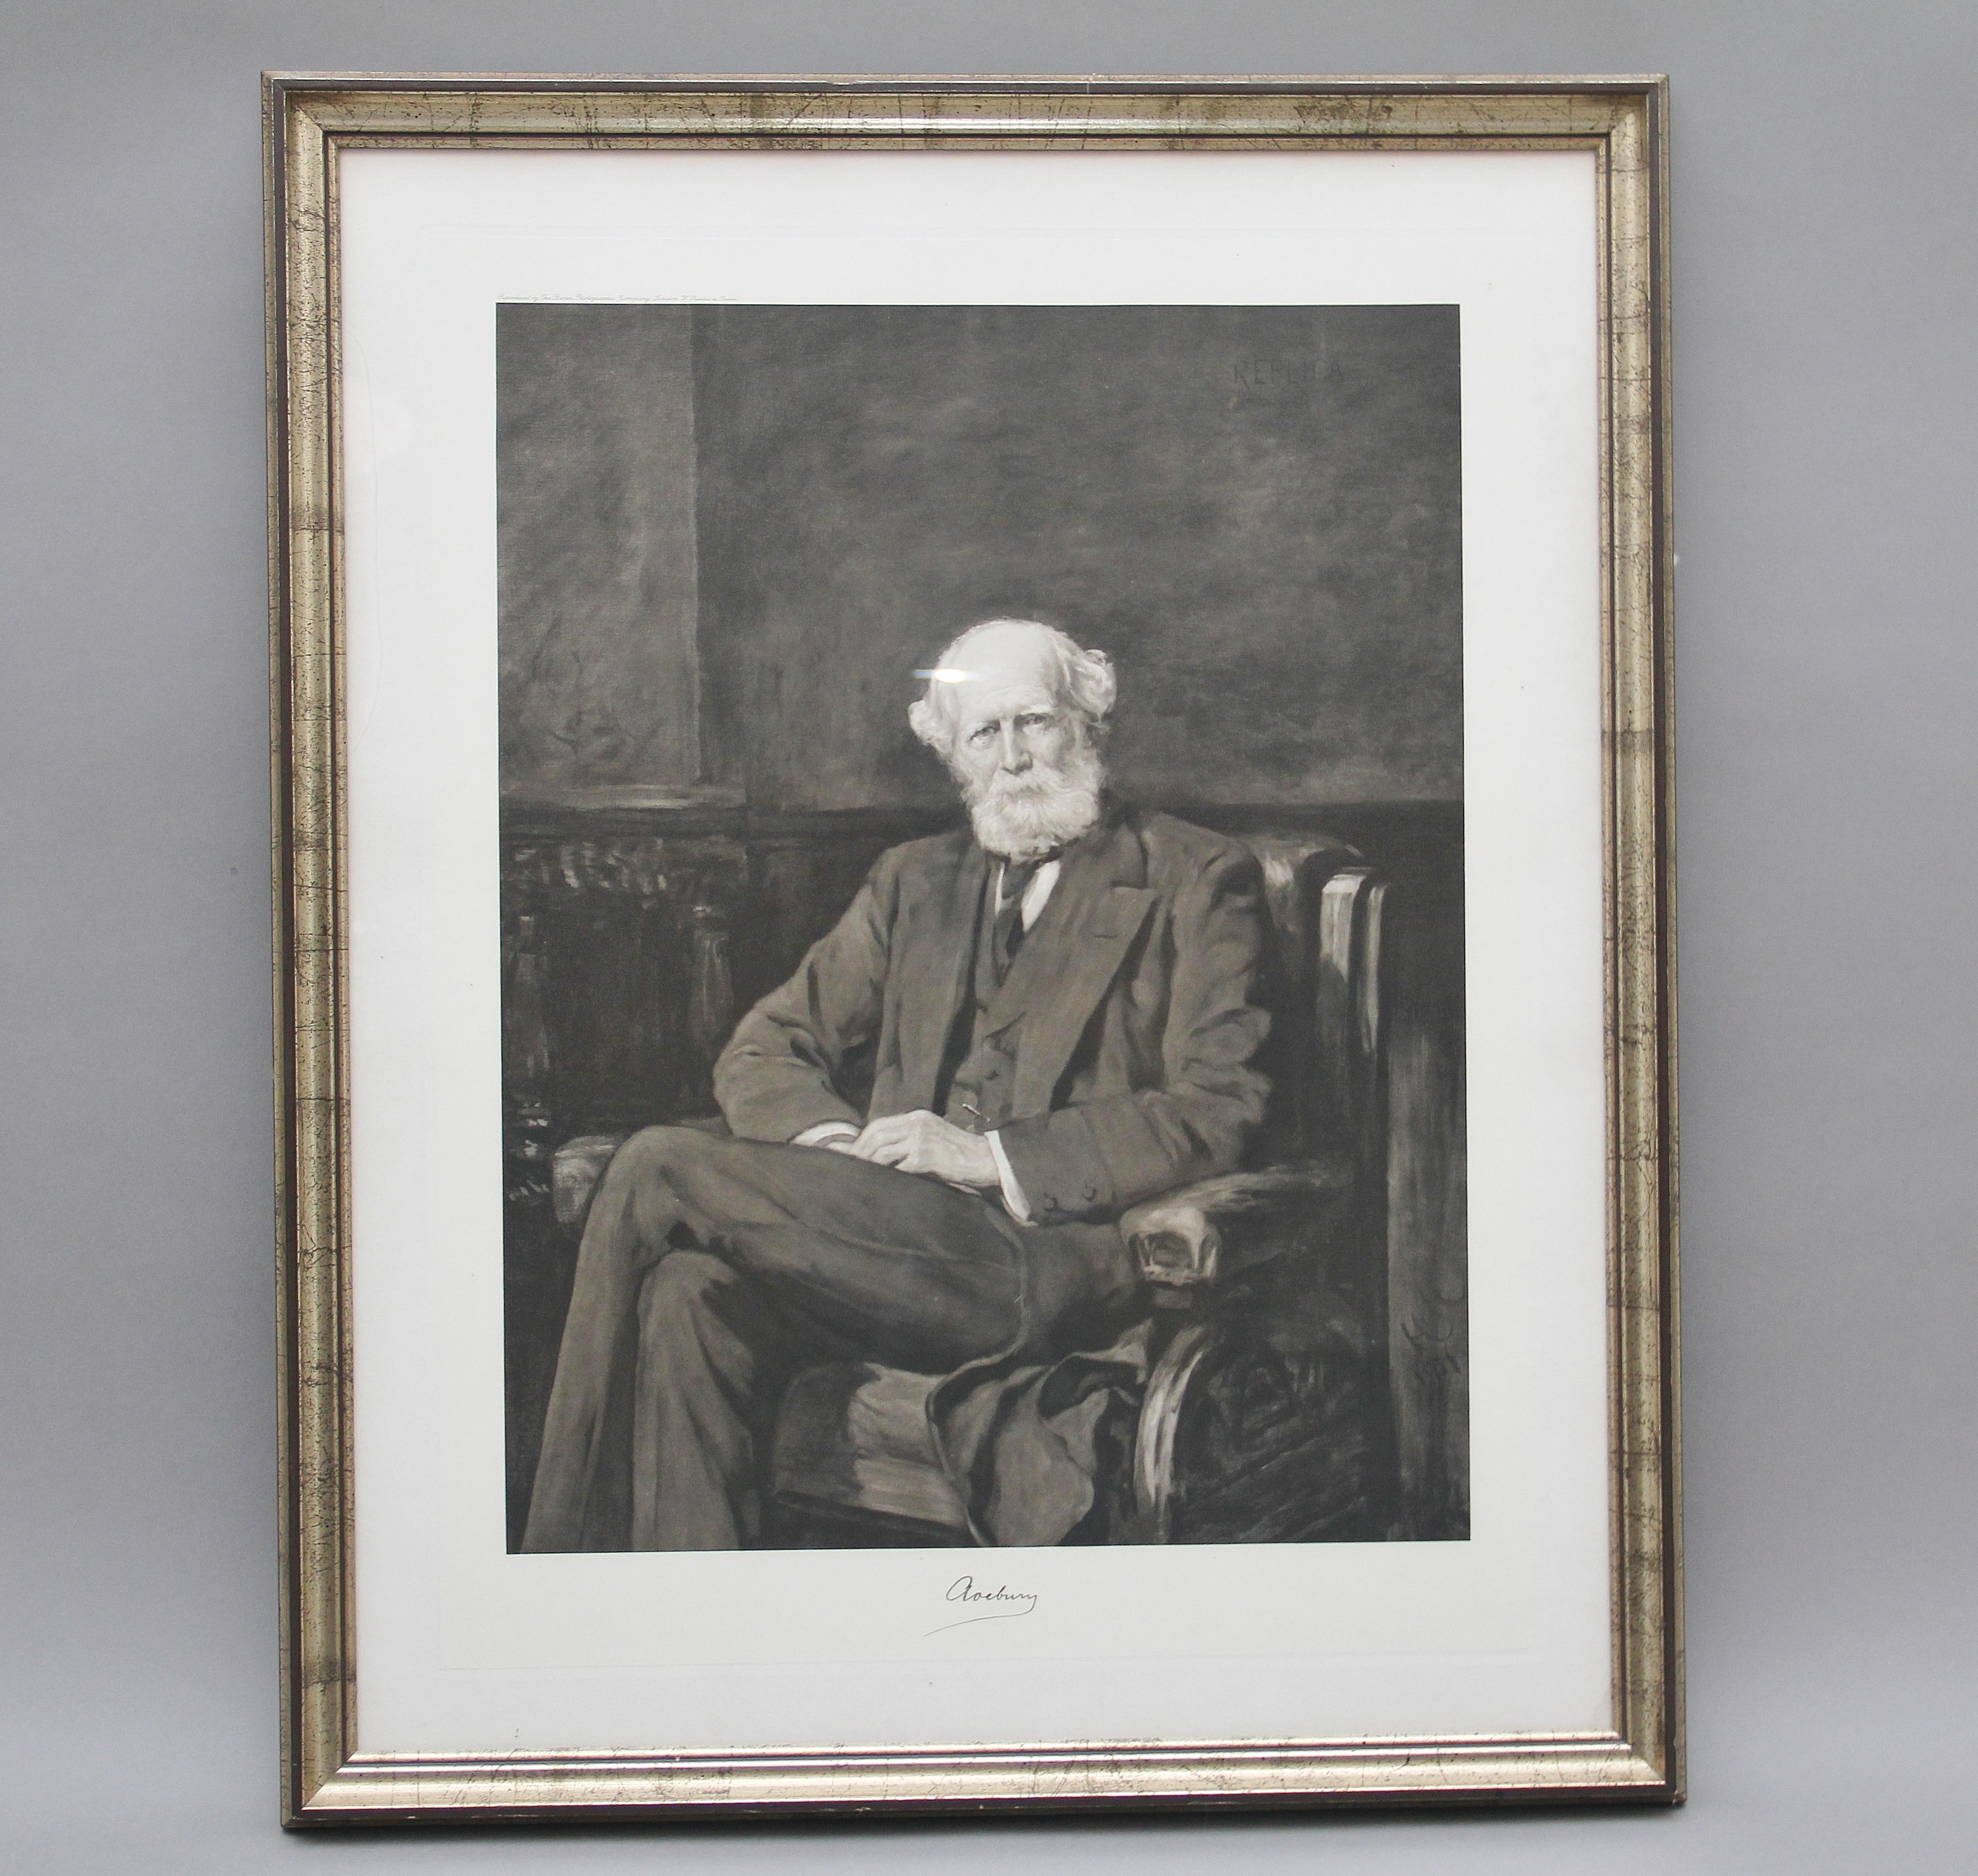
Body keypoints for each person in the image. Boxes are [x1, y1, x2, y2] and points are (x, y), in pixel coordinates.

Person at [522, 618, 1275, 1551]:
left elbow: (1221, 1108)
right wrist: (836, 1155)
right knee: (687, 1293)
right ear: (952, 756)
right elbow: (763, 1048)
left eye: (1034, 722)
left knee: (657, 1166)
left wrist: (987, 1156)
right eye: (983, 734)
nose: (1012, 757)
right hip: (889, 1239)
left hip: (1044, 1264)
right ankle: (690, 1624)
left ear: (1087, 721)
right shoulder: (910, 881)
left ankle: (556, 1566)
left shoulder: (1196, 877)